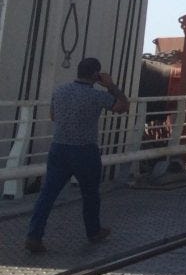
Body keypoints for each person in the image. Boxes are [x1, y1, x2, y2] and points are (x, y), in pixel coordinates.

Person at [25, 57, 130, 254]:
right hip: (84, 150)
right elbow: (123, 106)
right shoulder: (96, 96)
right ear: (95, 75)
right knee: (90, 194)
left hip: (58, 148)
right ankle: (93, 231)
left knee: (47, 195)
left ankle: (34, 235)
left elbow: (53, 116)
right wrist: (111, 86)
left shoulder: (60, 91)